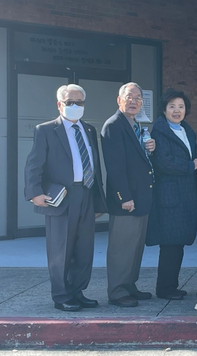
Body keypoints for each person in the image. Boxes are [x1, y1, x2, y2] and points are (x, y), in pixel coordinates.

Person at [24, 84, 107, 312]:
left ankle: (77, 292)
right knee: (61, 249)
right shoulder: (46, 130)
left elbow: (95, 167)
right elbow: (33, 165)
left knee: (84, 248)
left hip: (86, 194)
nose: (74, 106)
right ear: (59, 104)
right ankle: (61, 296)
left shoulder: (89, 130)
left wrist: (98, 201)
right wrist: (34, 193)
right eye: (69, 102)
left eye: (79, 102)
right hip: (62, 197)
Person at [145, 89, 197, 300]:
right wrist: (191, 165)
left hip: (185, 196)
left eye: (181, 106)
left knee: (178, 244)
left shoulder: (187, 130)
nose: (177, 110)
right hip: (169, 197)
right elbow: (164, 163)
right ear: (164, 109)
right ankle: (164, 288)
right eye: (172, 106)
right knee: (170, 244)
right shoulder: (159, 132)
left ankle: (172, 285)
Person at [101, 82, 156, 307]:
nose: (133, 101)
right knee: (121, 248)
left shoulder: (135, 125)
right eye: (129, 97)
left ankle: (129, 285)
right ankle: (117, 291)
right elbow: (115, 167)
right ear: (119, 100)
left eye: (138, 98)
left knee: (135, 247)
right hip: (127, 201)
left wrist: (149, 148)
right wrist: (124, 197)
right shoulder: (113, 125)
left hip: (141, 198)